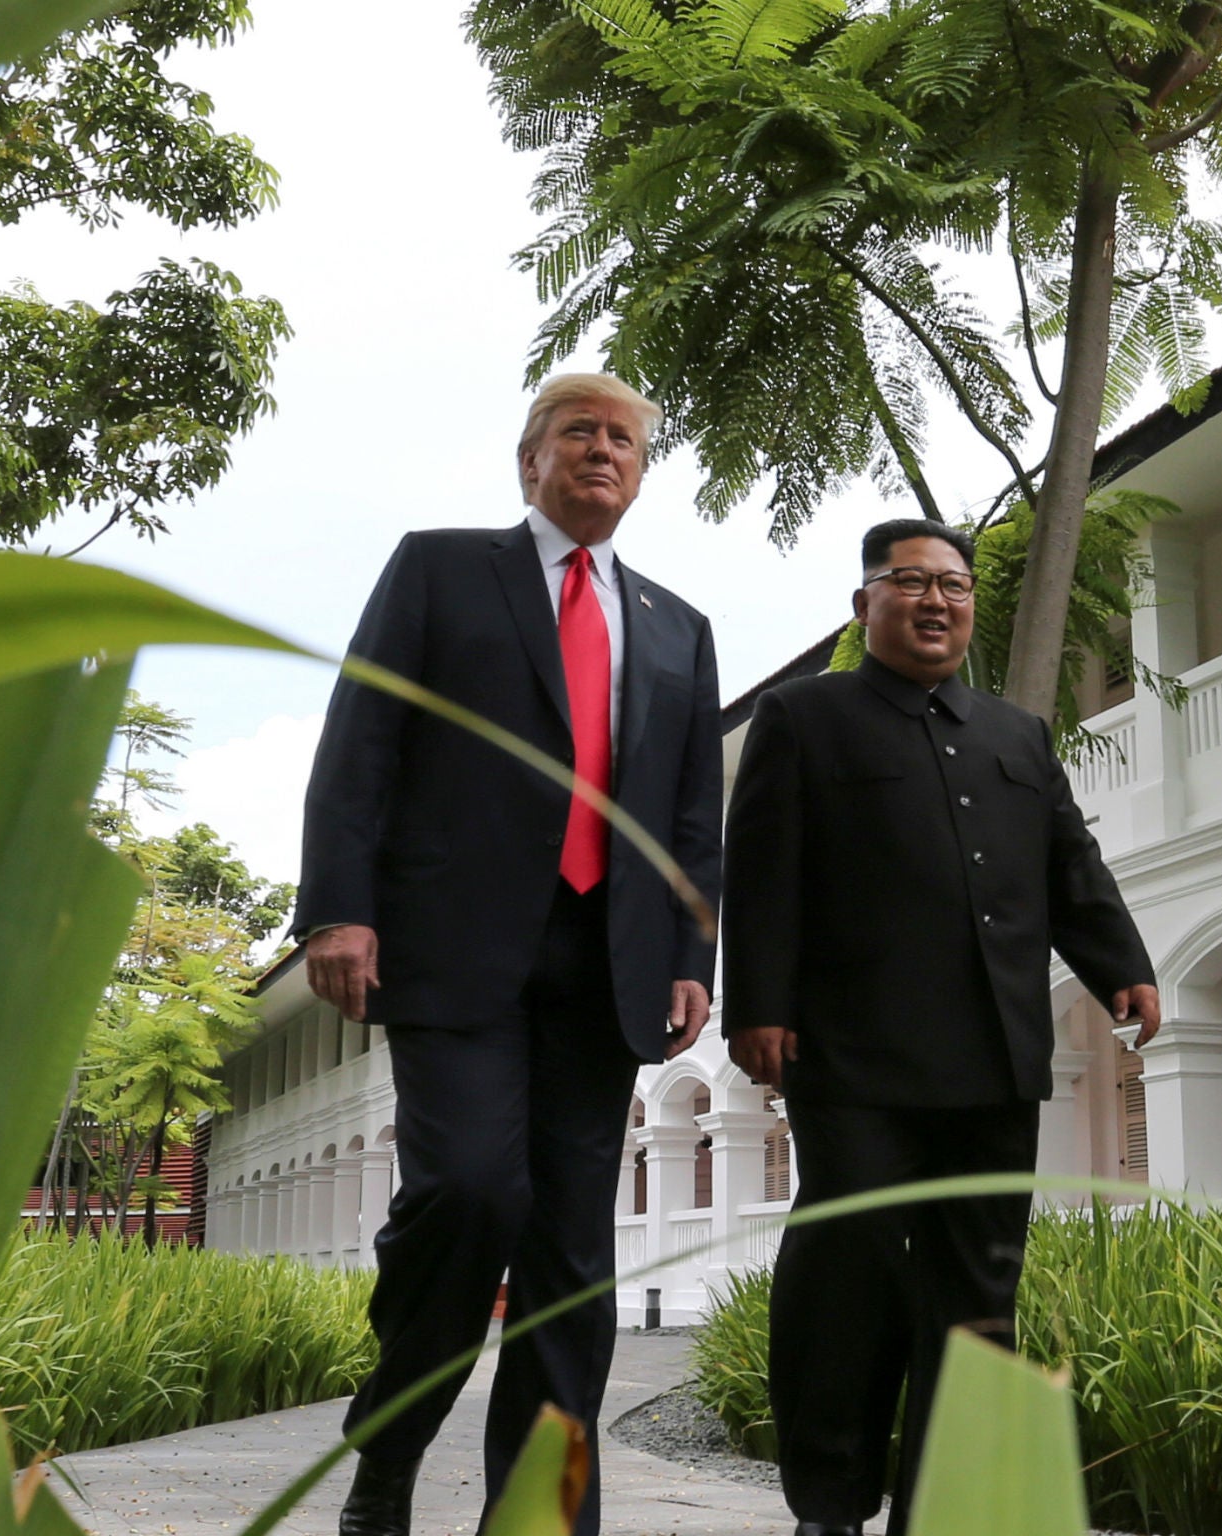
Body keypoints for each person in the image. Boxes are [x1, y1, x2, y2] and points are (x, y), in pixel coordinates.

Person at [295, 373, 724, 1536]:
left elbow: (690, 815)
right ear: (526, 460)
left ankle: (540, 1513)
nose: (602, 449)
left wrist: (693, 952)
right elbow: (361, 741)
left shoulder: (679, 626)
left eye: (624, 438)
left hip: (611, 963)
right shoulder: (438, 569)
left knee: (569, 1254)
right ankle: (387, 1453)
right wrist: (337, 908)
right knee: (468, 1192)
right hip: (454, 949)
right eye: (578, 431)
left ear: (640, 472)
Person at [720, 517, 1160, 1536]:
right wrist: (761, 1008)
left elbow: (1067, 863)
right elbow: (762, 875)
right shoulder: (804, 718)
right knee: (850, 1282)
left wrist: (1120, 966)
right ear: (862, 602)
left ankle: (944, 1509)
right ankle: (826, 1508)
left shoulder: (1016, 734)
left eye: (952, 586)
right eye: (908, 582)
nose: (934, 601)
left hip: (994, 1059)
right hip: (852, 1056)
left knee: (977, 1297)